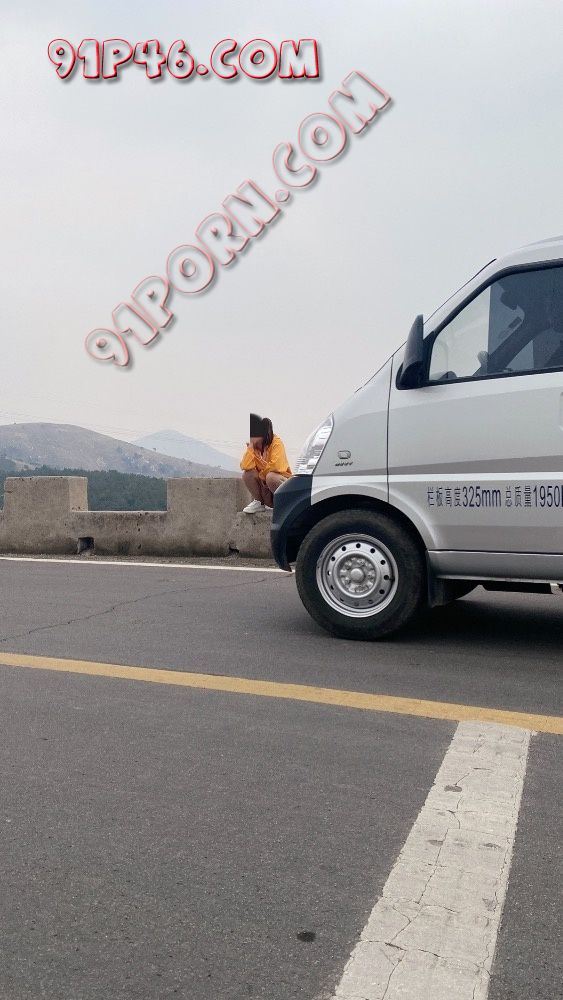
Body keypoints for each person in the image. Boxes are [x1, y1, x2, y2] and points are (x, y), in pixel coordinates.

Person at [240, 413, 292, 513]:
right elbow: (245, 466)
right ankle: (259, 503)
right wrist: (250, 448)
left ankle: (287, 504)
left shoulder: (276, 443)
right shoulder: (253, 448)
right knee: (247, 474)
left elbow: (277, 466)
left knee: (271, 477)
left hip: (279, 485)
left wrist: (262, 476)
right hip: (266, 490)